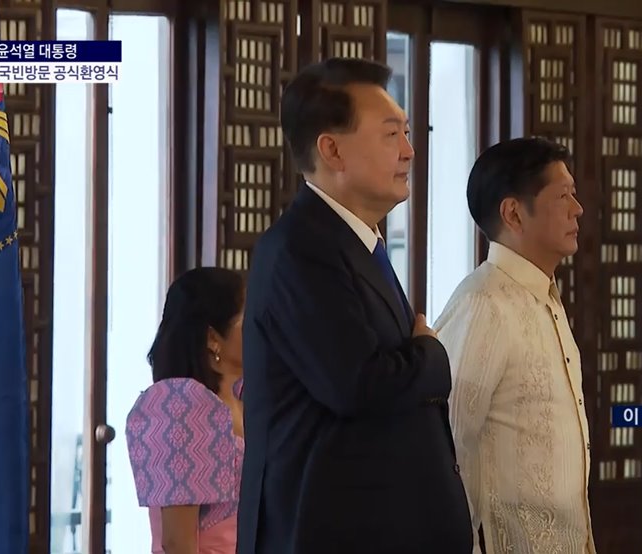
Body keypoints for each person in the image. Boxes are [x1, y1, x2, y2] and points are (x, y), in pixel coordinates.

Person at [237, 57, 472, 554]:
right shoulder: (302, 249)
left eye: (407, 133)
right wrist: (432, 355)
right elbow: (359, 384)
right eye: (392, 135)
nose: (409, 151)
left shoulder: (357, 244)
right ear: (332, 149)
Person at [435, 138, 595, 553]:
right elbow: (447, 443)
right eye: (563, 196)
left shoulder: (545, 299)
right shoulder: (484, 303)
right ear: (513, 213)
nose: (577, 209)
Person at [125, 267, 246, 554]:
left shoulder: (248, 398)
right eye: (248, 319)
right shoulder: (183, 408)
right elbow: (178, 542)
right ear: (213, 338)